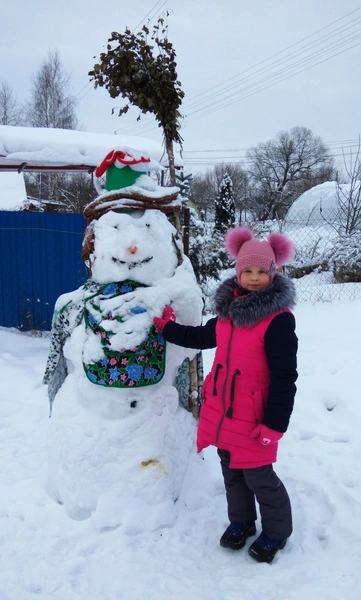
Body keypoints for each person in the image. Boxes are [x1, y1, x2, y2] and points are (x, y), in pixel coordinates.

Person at [153, 226, 298, 564]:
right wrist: (167, 328)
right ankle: (241, 522)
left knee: (259, 476)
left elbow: (284, 377)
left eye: (262, 271)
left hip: (255, 417)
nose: (254, 277)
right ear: (238, 272)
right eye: (248, 270)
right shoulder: (228, 313)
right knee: (231, 471)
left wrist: (275, 424)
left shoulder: (278, 321)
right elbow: (203, 338)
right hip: (222, 411)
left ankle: (277, 531)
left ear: (274, 274)